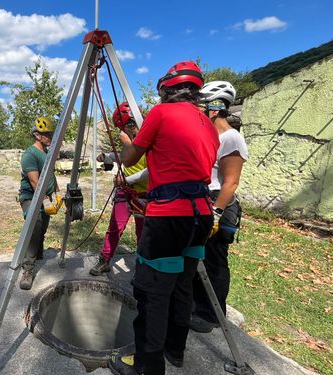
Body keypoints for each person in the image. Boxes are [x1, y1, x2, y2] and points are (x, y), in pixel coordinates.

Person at [108, 61, 219, 375]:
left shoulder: (160, 114)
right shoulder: (208, 124)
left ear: (166, 90)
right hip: (200, 216)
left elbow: (131, 157)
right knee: (183, 286)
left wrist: (123, 148)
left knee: (152, 294)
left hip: (168, 217)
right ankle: (175, 350)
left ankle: (146, 365)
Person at [190, 81, 249, 333]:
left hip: (219, 206)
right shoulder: (210, 138)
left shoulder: (231, 138)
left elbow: (230, 182)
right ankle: (196, 305)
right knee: (196, 258)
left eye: (203, 107)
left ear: (214, 109)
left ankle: (212, 315)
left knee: (214, 261)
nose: (201, 112)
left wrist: (215, 214)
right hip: (204, 200)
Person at [90, 102, 148, 276]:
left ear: (130, 124)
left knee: (142, 232)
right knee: (115, 226)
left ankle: (142, 268)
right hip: (125, 191)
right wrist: (107, 157)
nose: (121, 131)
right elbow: (125, 157)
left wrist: (126, 179)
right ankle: (105, 260)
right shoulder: (130, 141)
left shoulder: (149, 141)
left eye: (122, 127)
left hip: (143, 194)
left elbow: (151, 170)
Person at [18, 116, 62, 290]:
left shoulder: (48, 152)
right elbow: (35, 182)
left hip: (45, 195)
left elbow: (50, 174)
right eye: (48, 134)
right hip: (31, 197)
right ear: (37, 135)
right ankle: (28, 268)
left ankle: (38, 251)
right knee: (34, 224)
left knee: (42, 227)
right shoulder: (30, 155)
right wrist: (44, 200)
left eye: (52, 133)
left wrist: (57, 192)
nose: (51, 137)